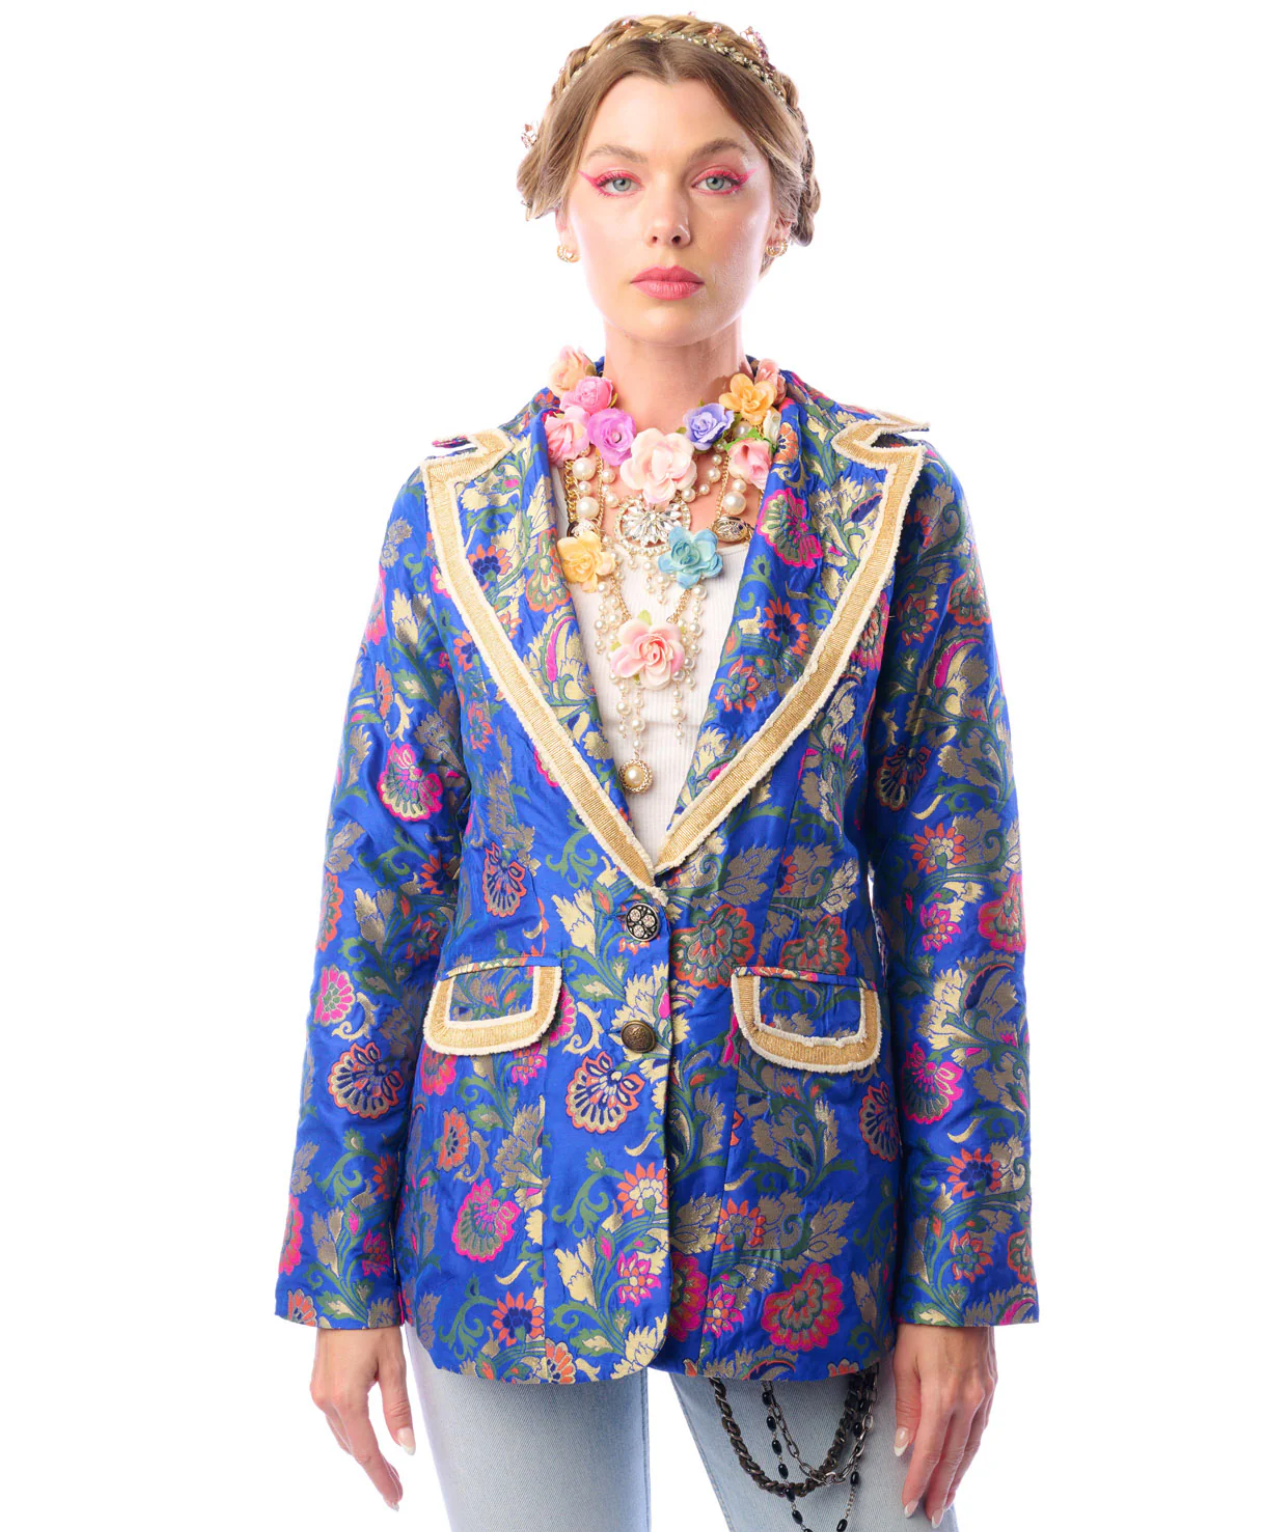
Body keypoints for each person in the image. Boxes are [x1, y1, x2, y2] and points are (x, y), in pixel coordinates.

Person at [273, 14, 1038, 1530]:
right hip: (507, 1186)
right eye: (620, 180)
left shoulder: (891, 506)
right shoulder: (455, 513)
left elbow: (964, 913)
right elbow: (381, 894)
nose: (668, 222)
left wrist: (959, 1281)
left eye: (718, 177)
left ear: (784, 209)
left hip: (801, 1196)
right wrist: (341, 1273)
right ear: (565, 212)